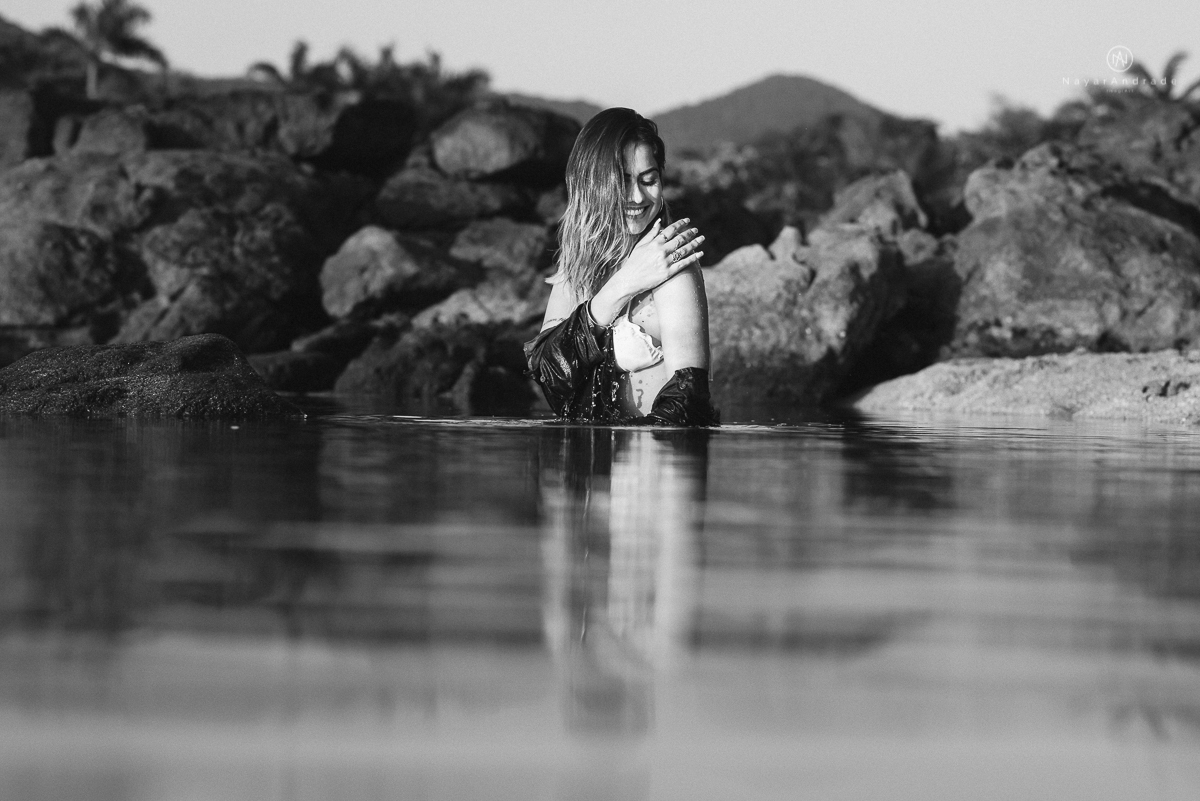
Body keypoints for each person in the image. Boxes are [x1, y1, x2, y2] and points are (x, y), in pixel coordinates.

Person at [524, 108, 719, 426]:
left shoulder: (672, 265)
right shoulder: (576, 267)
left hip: (659, 453)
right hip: (590, 452)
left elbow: (688, 402)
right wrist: (623, 284)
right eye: (623, 181)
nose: (637, 196)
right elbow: (550, 377)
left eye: (649, 180)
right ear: (591, 184)